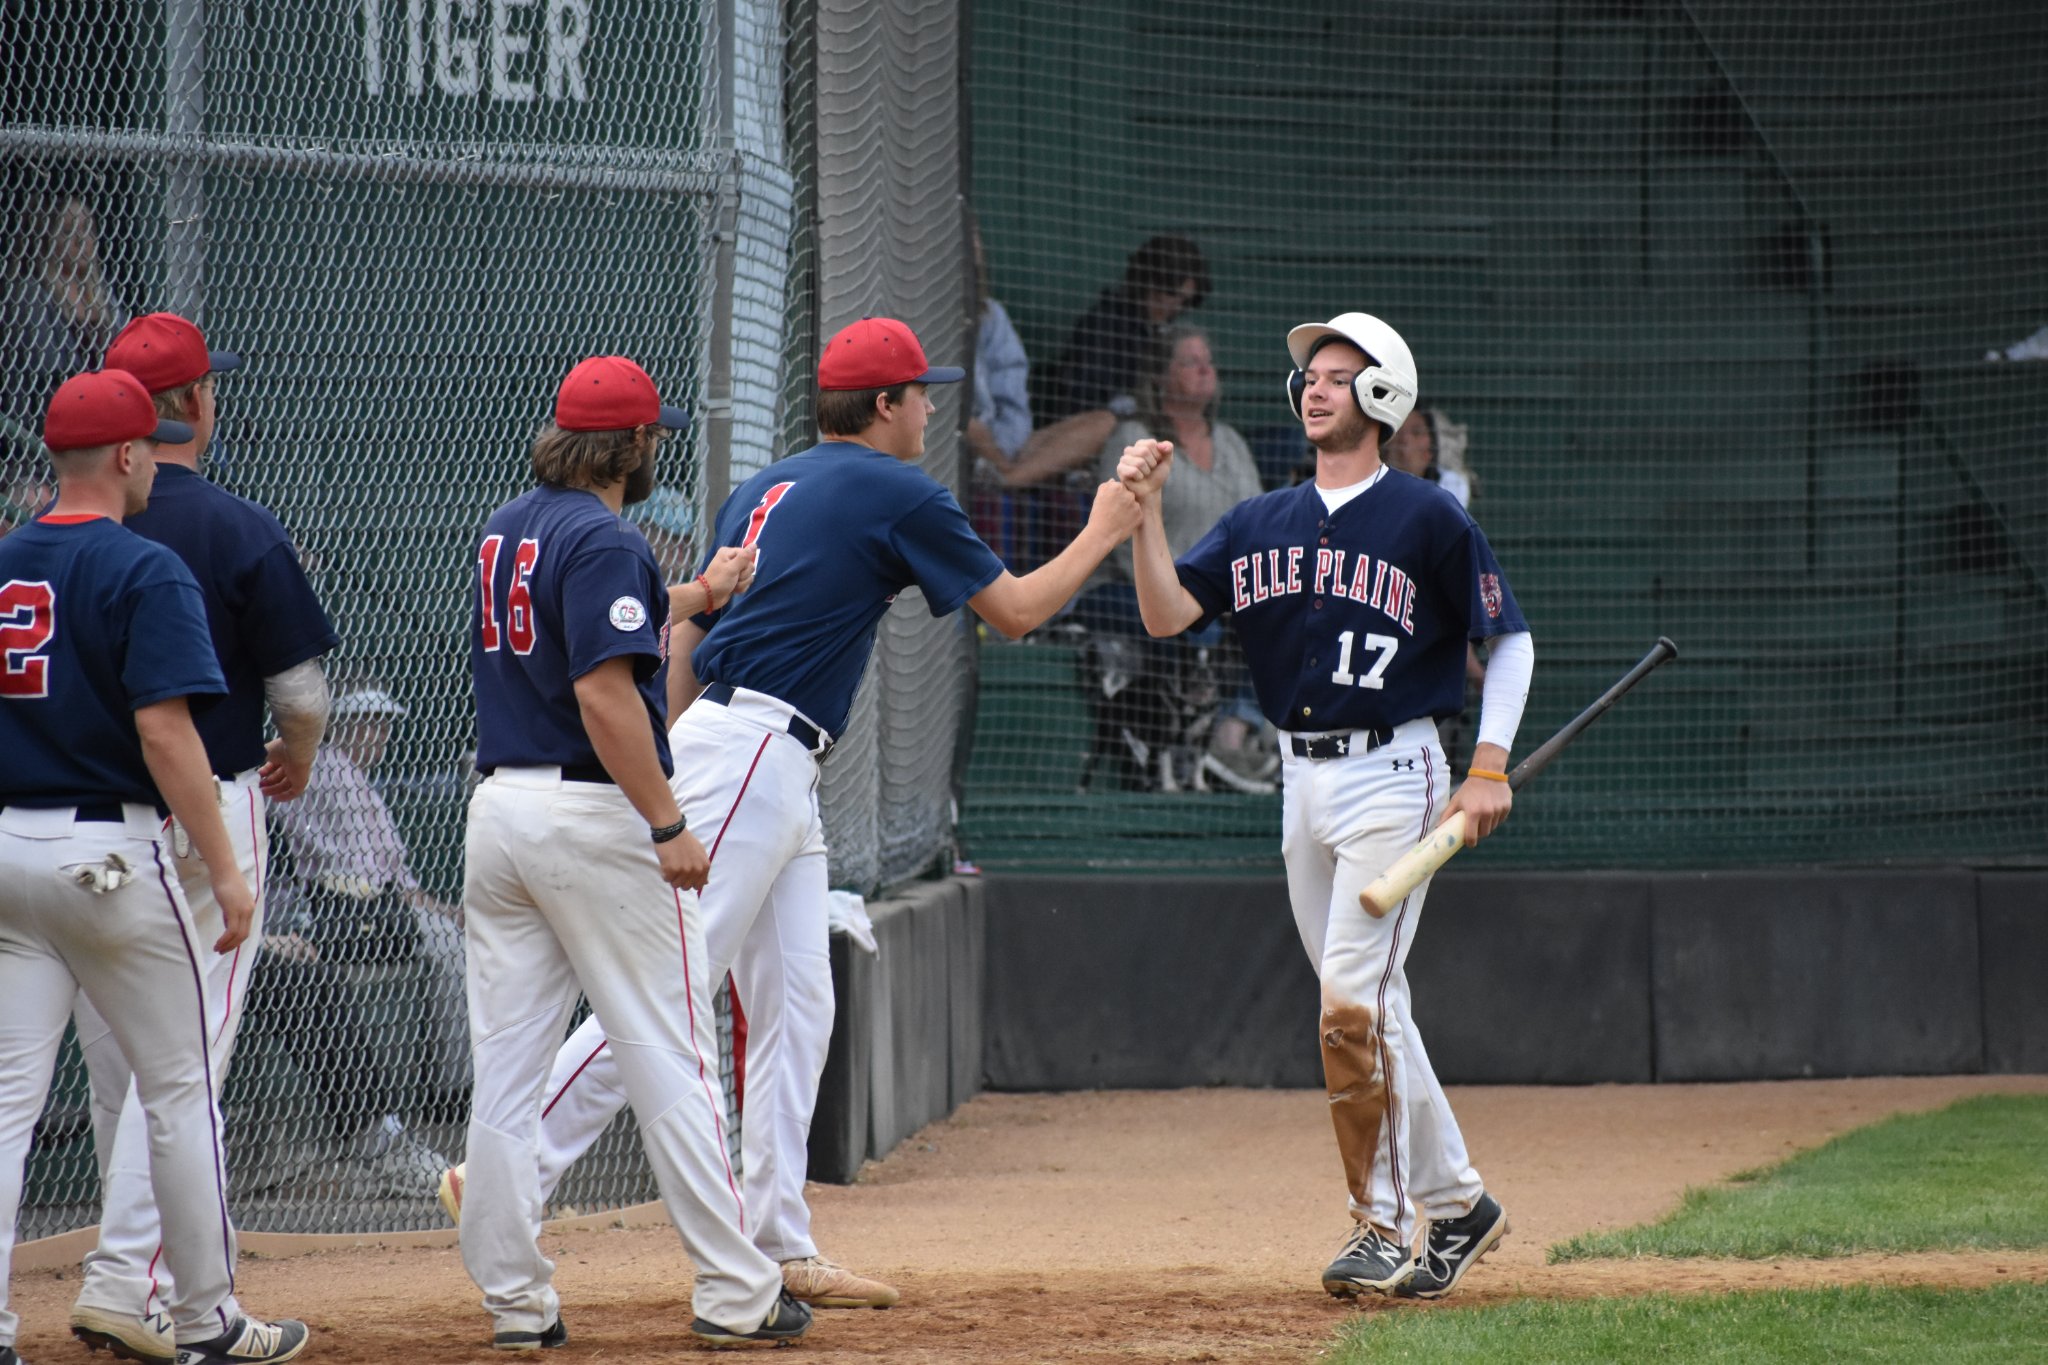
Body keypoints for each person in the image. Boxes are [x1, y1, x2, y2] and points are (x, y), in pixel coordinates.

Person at [438, 317, 1142, 1315]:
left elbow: (690, 628)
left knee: (797, 1000)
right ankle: (512, 1176)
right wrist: (1106, 526)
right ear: (887, 406)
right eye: (920, 393)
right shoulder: (899, 488)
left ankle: (777, 1238)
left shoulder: (767, 481)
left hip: (755, 753)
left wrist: (678, 746)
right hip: (753, 754)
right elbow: (1018, 611)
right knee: (667, 996)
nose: (931, 409)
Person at [1116, 312, 1534, 1303]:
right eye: (1309, 372)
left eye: (1340, 376)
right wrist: (1140, 518)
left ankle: (1380, 1227)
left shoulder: (1426, 517)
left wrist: (1487, 766)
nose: (1314, 385)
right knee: (1365, 1007)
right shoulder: (1260, 519)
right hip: (1296, 782)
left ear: (1383, 396)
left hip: (1395, 772)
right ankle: (1459, 1204)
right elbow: (1168, 614)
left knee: (1349, 1006)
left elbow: (1508, 639)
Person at [460, 353, 808, 1350]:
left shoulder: (507, 526)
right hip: (592, 819)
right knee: (674, 1055)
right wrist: (667, 822)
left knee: (508, 1072)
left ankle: (516, 1304)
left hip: (502, 816)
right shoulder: (605, 537)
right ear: (638, 443)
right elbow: (604, 690)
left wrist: (696, 590)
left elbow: (591, 624)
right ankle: (737, 1289)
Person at [0, 369, 308, 1365]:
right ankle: (206, 1318)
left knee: (9, 1099)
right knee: (177, 1088)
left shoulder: (6, 561)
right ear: (131, 456)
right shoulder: (143, 566)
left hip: (10, 849)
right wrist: (224, 868)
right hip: (110, 857)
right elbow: (168, 734)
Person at [65, 312, 337, 1363]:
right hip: (205, 806)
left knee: (116, 1067)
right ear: (188, 407)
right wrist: (300, 755)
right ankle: (132, 1281)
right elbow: (301, 692)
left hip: (83, 818)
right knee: (184, 1067)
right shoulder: (234, 525)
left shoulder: (61, 526)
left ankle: (176, 1281)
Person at [258, 683, 461, 1194]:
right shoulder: (326, 768)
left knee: (460, 939)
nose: (380, 734)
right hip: (334, 913)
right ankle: (453, 1094)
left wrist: (441, 908)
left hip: (379, 908)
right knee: (455, 950)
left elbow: (397, 879)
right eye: (368, 722)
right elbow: (359, 879)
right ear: (341, 726)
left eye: (384, 724)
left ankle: (448, 1091)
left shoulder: (355, 777)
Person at [1068, 323, 1266, 792]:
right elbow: (1118, 530)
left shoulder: (1232, 443)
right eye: (1190, 361)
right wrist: (1185, 581)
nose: (1205, 370)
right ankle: (1167, 749)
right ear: (1159, 375)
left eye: (1208, 362)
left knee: (1283, 613)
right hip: (1136, 586)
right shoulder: (1135, 437)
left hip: (1221, 588)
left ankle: (1230, 736)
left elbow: (1258, 524)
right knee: (1196, 622)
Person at [0, 194, 129, 526]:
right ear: (49, 235)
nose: (82, 240)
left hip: (104, 422)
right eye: (70, 229)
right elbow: (48, 373)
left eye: (88, 228)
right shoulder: (30, 291)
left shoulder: (102, 294)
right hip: (46, 424)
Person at [1383, 409, 1487, 764]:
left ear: (1431, 448)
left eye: (1415, 433)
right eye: (1398, 432)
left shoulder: (1446, 507)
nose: (1403, 440)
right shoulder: (1373, 497)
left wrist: (1477, 674)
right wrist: (1477, 674)